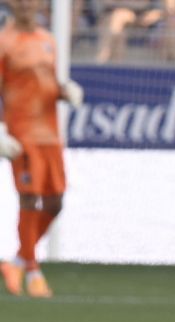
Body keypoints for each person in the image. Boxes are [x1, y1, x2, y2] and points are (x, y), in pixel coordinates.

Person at [0, 0, 83, 298]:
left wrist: (64, 91)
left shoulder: (47, 40)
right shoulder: (4, 42)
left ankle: (18, 261)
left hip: (50, 134)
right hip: (22, 135)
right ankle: (33, 272)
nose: (25, 5)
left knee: (55, 202)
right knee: (29, 198)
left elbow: (46, 83)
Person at [95, 0, 175, 64]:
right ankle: (104, 60)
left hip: (150, 16)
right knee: (117, 20)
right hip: (126, 15)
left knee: (171, 27)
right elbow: (108, 3)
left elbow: (143, 5)